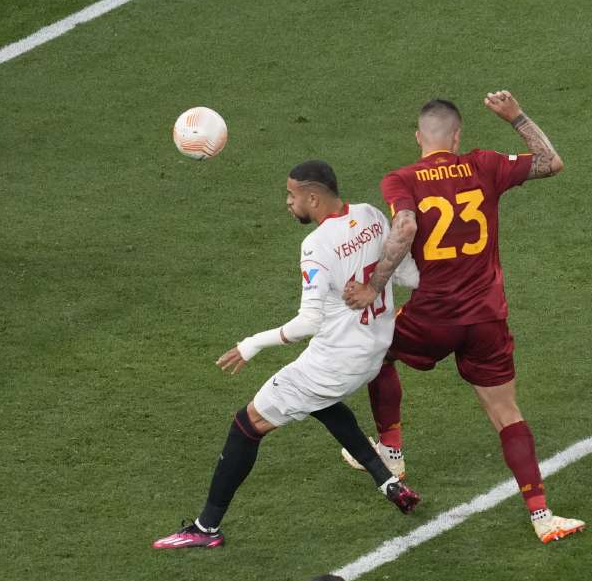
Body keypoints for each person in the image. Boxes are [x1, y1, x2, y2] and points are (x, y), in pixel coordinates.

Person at [342, 96, 585, 544]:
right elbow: (551, 162)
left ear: (419, 137)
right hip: (487, 317)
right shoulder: (484, 164)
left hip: (433, 316)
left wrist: (374, 286)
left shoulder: (402, 178)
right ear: (457, 137)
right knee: (506, 412)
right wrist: (515, 117)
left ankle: (391, 452)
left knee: (377, 350)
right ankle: (542, 516)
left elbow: (406, 228)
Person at [152, 161, 421, 549]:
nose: (288, 202)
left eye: (292, 195)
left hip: (335, 361)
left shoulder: (315, 246)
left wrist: (252, 343)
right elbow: (405, 274)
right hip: (374, 351)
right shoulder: (372, 215)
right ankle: (389, 482)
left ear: (313, 197)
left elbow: (308, 322)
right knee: (317, 401)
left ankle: (205, 528)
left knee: (247, 424)